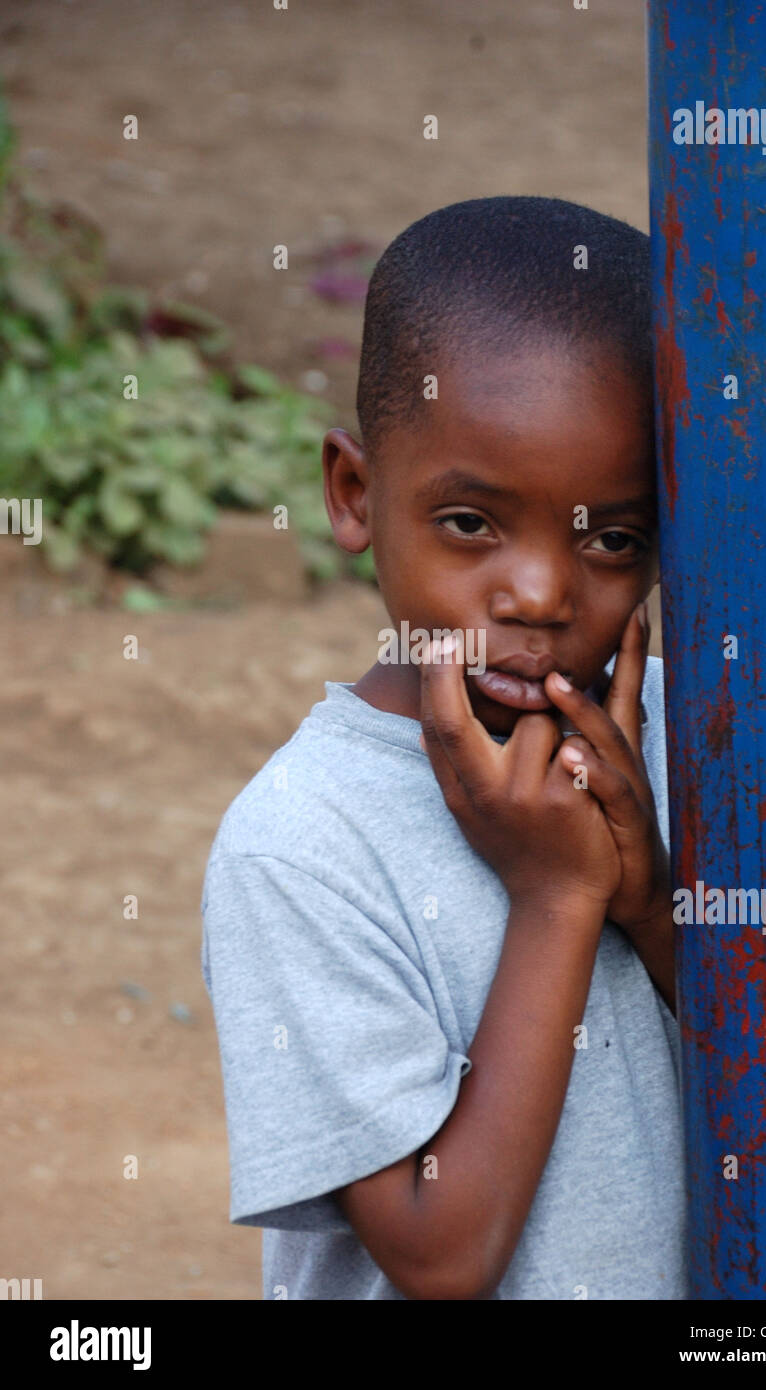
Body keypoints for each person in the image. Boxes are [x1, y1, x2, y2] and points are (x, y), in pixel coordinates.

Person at [201, 196, 687, 1301]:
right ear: (356, 494)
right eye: (473, 521)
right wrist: (562, 898)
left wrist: (650, 900)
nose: (541, 591)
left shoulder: (694, 750)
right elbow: (438, 1249)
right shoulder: (302, 846)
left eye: (612, 538)